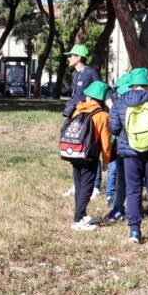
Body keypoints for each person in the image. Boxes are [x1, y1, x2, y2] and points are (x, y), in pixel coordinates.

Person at [108, 67, 148, 243]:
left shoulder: (121, 102)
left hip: (129, 153)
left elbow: (113, 128)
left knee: (133, 191)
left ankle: (135, 231)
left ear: (131, 84)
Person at [63, 81, 113, 231]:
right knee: (87, 187)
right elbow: (105, 141)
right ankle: (78, 220)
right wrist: (106, 160)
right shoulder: (103, 116)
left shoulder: (78, 110)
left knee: (79, 185)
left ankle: (82, 214)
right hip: (89, 155)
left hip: (74, 151)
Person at [61, 44, 100, 198]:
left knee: (91, 148)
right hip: (76, 116)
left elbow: (99, 90)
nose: (69, 58)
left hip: (90, 116)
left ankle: (95, 186)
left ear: (78, 57)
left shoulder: (90, 72)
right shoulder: (74, 75)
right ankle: (77, 185)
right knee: (76, 146)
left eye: (71, 55)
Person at [103, 73, 130, 222]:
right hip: (144, 150)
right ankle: (132, 208)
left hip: (123, 148)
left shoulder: (118, 105)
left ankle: (119, 207)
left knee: (122, 179)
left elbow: (114, 127)